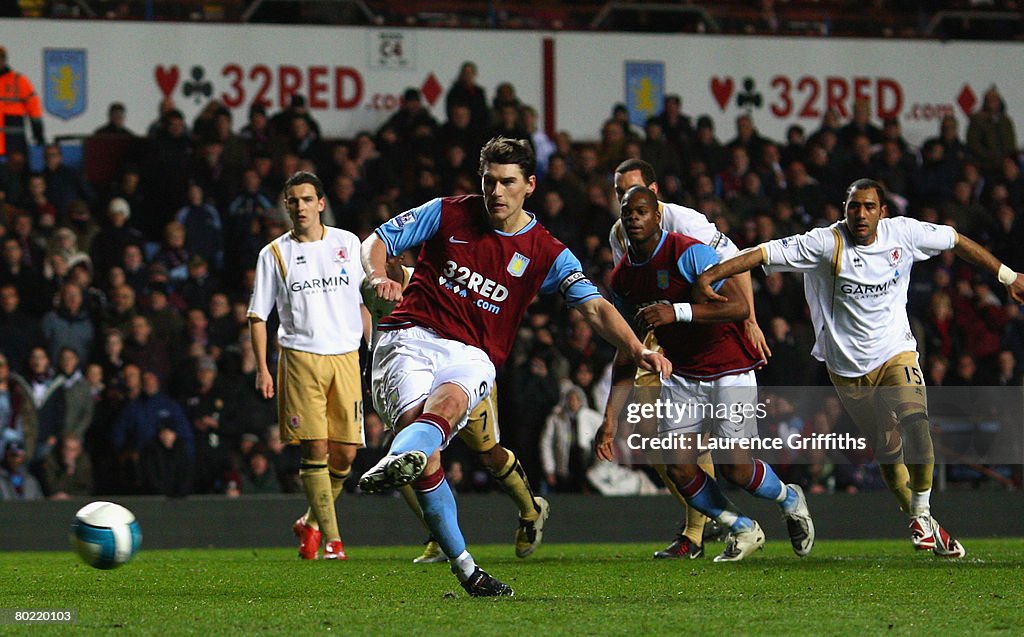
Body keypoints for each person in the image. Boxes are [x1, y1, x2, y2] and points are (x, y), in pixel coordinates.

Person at [358, 137, 670, 596]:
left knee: (442, 416)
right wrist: (377, 276)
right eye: (489, 182)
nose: (497, 192)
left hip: (473, 355)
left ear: (530, 185)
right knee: (423, 442)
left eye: (507, 182)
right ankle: (465, 565)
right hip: (411, 336)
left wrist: (636, 348)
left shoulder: (546, 250)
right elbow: (377, 241)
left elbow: (594, 307)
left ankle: (404, 457)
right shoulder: (447, 212)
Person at [696, 178, 1024, 557]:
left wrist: (1008, 276)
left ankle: (922, 511)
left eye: (869, 206)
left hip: (895, 352)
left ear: (882, 212)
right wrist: (710, 275)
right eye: (854, 206)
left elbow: (954, 239)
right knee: (887, 448)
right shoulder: (824, 243)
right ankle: (925, 523)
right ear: (845, 209)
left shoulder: (904, 234)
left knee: (916, 422)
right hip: (848, 370)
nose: (861, 214)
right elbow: (761, 253)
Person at [596, 185, 814, 562]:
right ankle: (742, 526)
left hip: (730, 367)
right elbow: (627, 348)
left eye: (642, 211)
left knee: (736, 470)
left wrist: (677, 311)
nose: (633, 218)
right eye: (627, 212)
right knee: (678, 467)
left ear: (657, 216)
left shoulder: (689, 252)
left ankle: (789, 497)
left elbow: (739, 305)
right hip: (682, 374)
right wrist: (610, 419)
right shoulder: (623, 280)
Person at [361, 253, 551, 564]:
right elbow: (380, 335)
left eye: (389, 255)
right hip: (413, 374)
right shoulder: (371, 286)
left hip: (456, 372)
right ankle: (438, 533)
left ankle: (531, 510)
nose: (382, 263)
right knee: (405, 453)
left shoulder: (434, 282)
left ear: (404, 257)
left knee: (488, 451)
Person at [248, 171, 370, 561]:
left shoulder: (347, 243)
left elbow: (364, 299)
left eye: (306, 199)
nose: (300, 207)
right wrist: (263, 368)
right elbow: (257, 315)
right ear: (286, 206)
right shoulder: (274, 254)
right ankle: (333, 541)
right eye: (293, 201)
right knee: (316, 448)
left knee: (347, 453)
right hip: (300, 358)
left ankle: (311, 522)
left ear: (321, 203)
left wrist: (374, 346)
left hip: (346, 357)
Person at [0, 46, 45, 159]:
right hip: (14, 145)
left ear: (4, 60)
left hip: (14, 146)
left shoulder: (19, 81)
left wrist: (38, 132)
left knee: (15, 175)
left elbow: (34, 108)